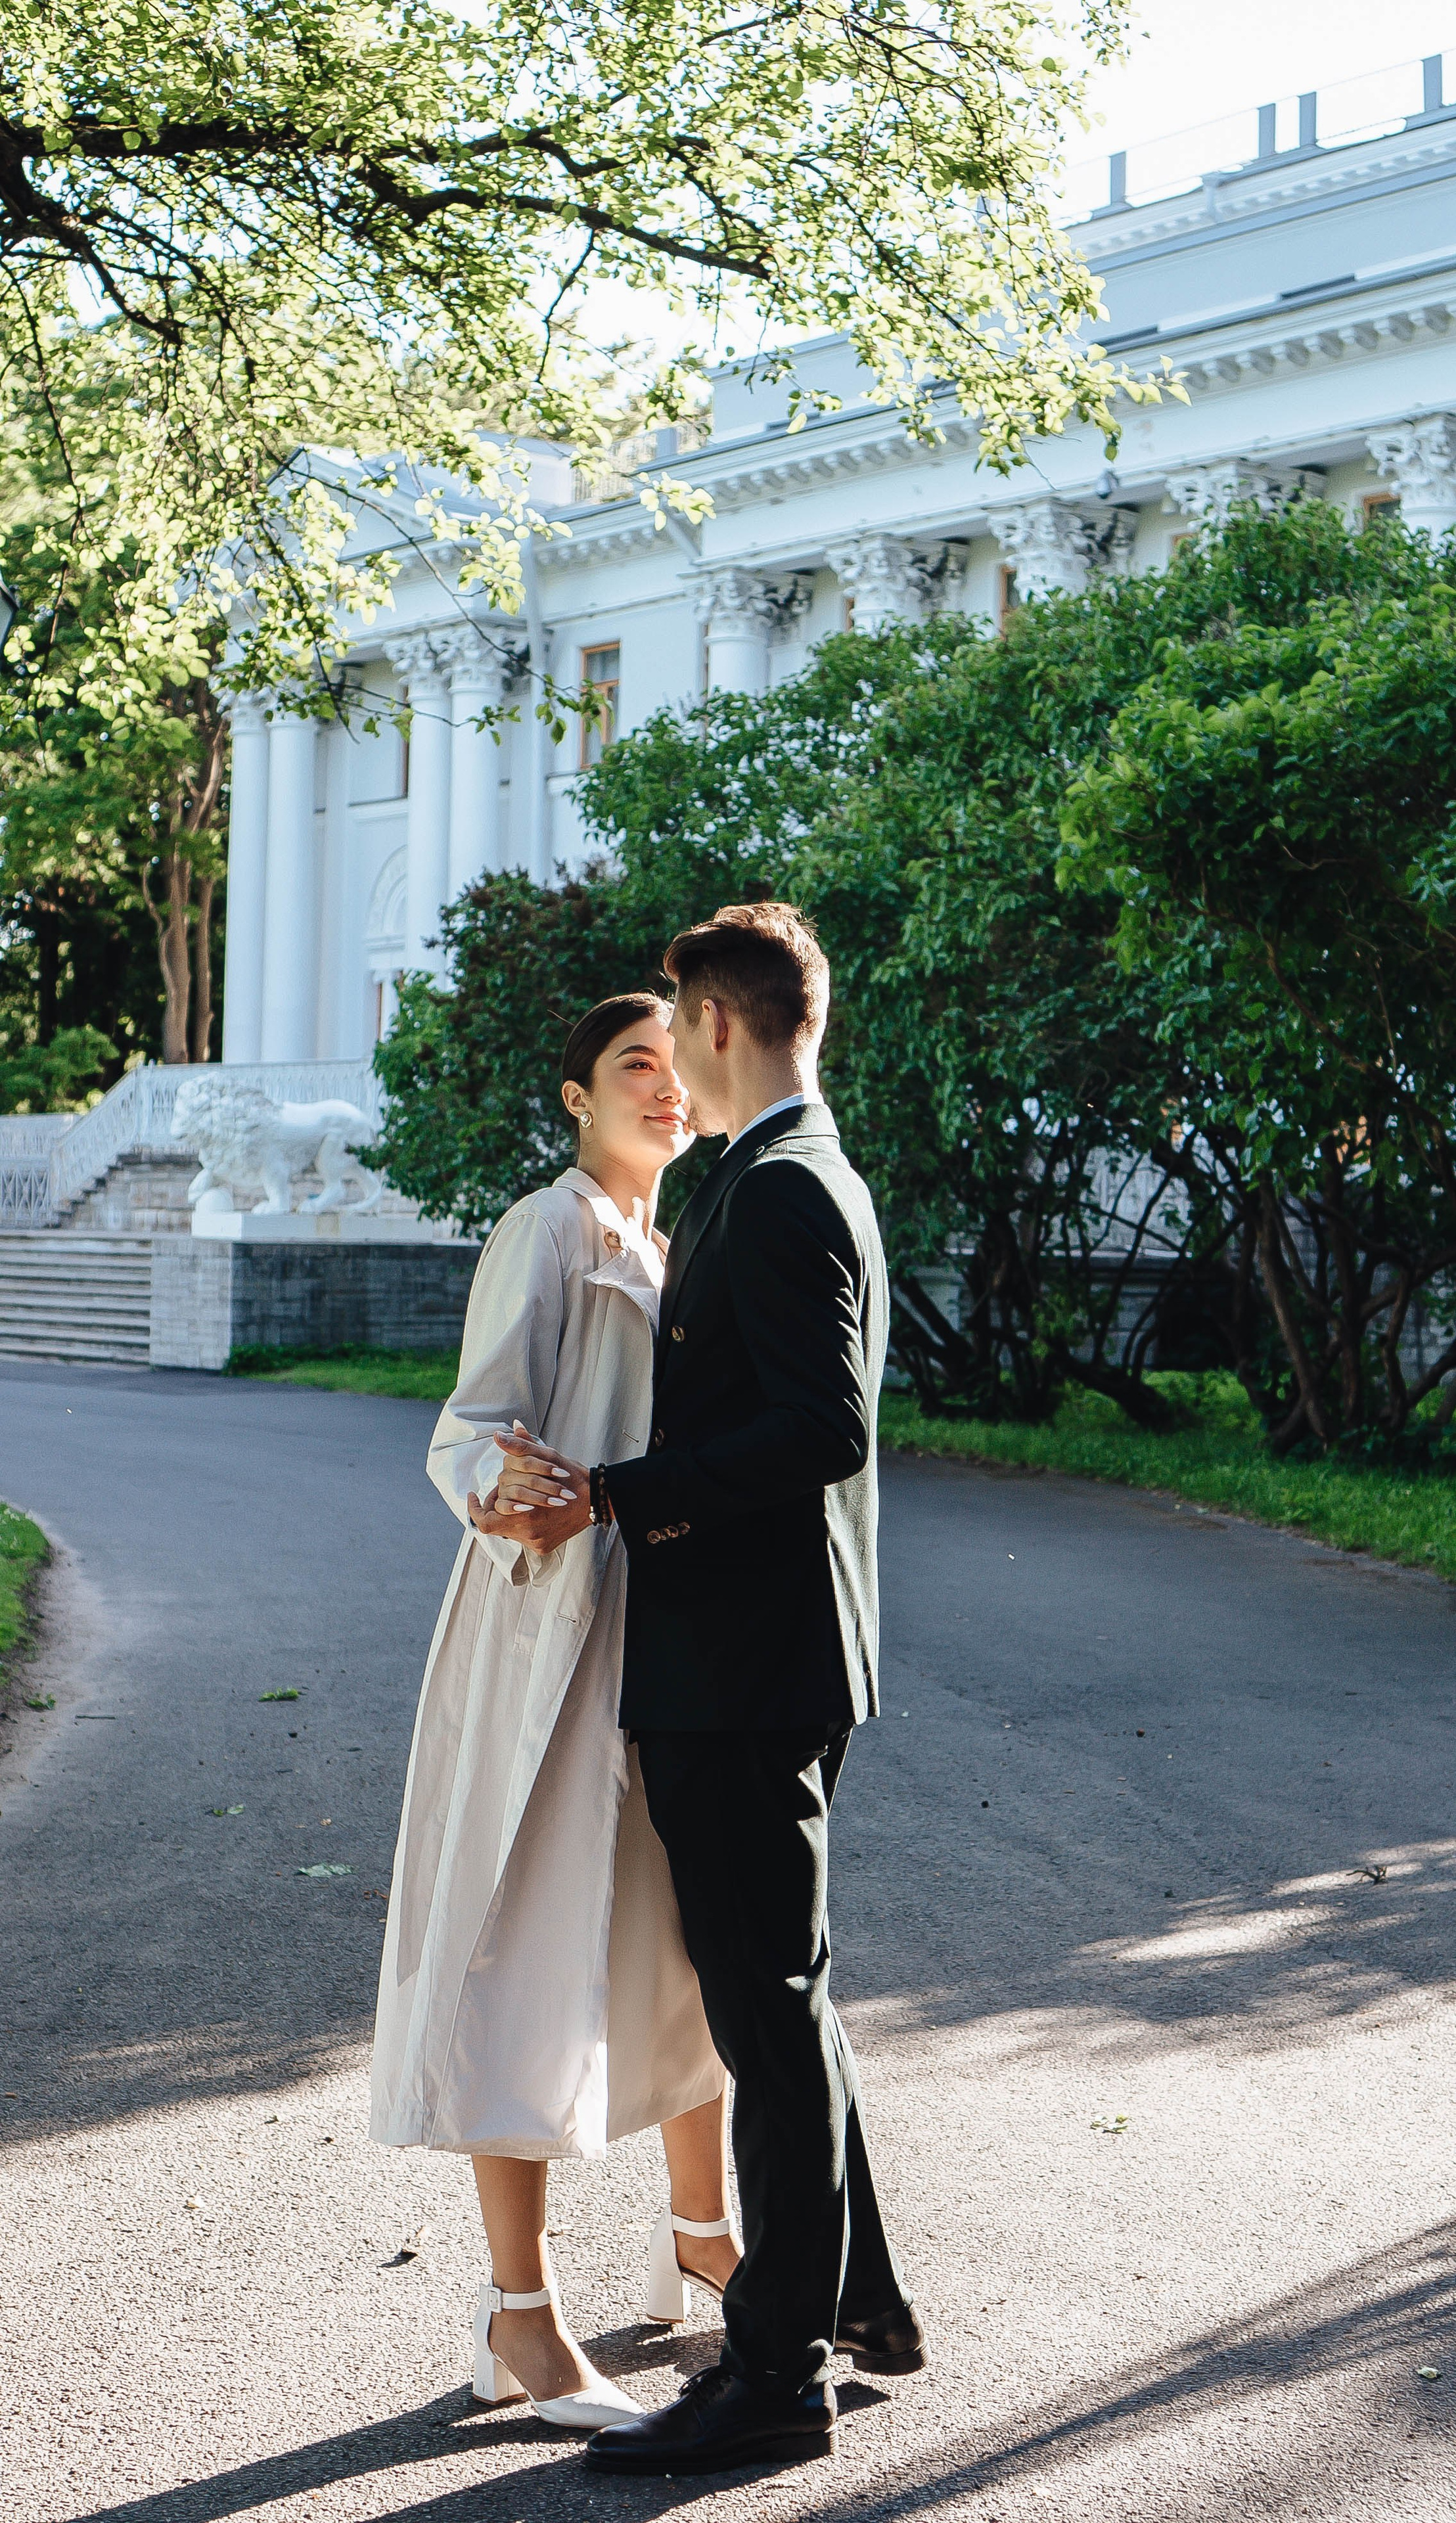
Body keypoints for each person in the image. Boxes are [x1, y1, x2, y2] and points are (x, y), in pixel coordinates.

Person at [491, 903, 924, 2478]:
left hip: (745, 1676)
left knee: (768, 2013)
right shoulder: (766, 1176)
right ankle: (856, 2305)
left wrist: (614, 1495)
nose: (664, 1051)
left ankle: (772, 2376)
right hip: (757, 1662)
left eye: (673, 1022)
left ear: (721, 1024)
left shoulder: (790, 1190)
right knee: (782, 1995)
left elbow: (822, 1430)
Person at [369, 991, 740, 2434]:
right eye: (628, 1067)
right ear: (576, 1097)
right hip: (545, 1635)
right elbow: (469, 1424)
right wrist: (497, 1496)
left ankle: (699, 2235)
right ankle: (518, 2314)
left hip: (667, 1638)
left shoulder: (673, 1240)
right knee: (517, 1947)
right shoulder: (550, 1224)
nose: (660, 1087)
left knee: (687, 1939)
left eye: (673, 1067)